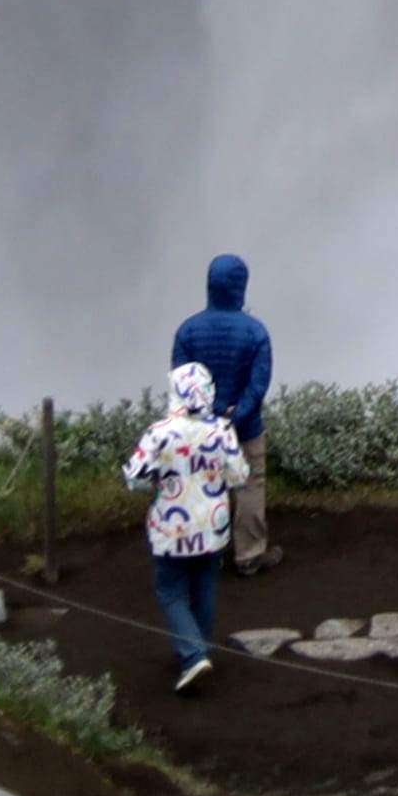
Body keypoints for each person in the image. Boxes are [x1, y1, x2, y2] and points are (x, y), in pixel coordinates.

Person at [123, 360, 250, 688]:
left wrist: (160, 479)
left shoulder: (159, 433)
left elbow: (135, 479)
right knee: (205, 583)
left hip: (172, 527)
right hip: (213, 523)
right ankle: (199, 649)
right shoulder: (222, 430)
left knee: (170, 590)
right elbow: (239, 476)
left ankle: (193, 655)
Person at [171, 253, 277, 570]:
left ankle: (204, 554)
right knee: (249, 485)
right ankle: (249, 554)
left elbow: (183, 381)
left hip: (199, 430)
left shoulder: (187, 331)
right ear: (241, 287)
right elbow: (258, 385)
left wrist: (211, 412)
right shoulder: (256, 332)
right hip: (245, 428)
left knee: (202, 485)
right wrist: (235, 414)